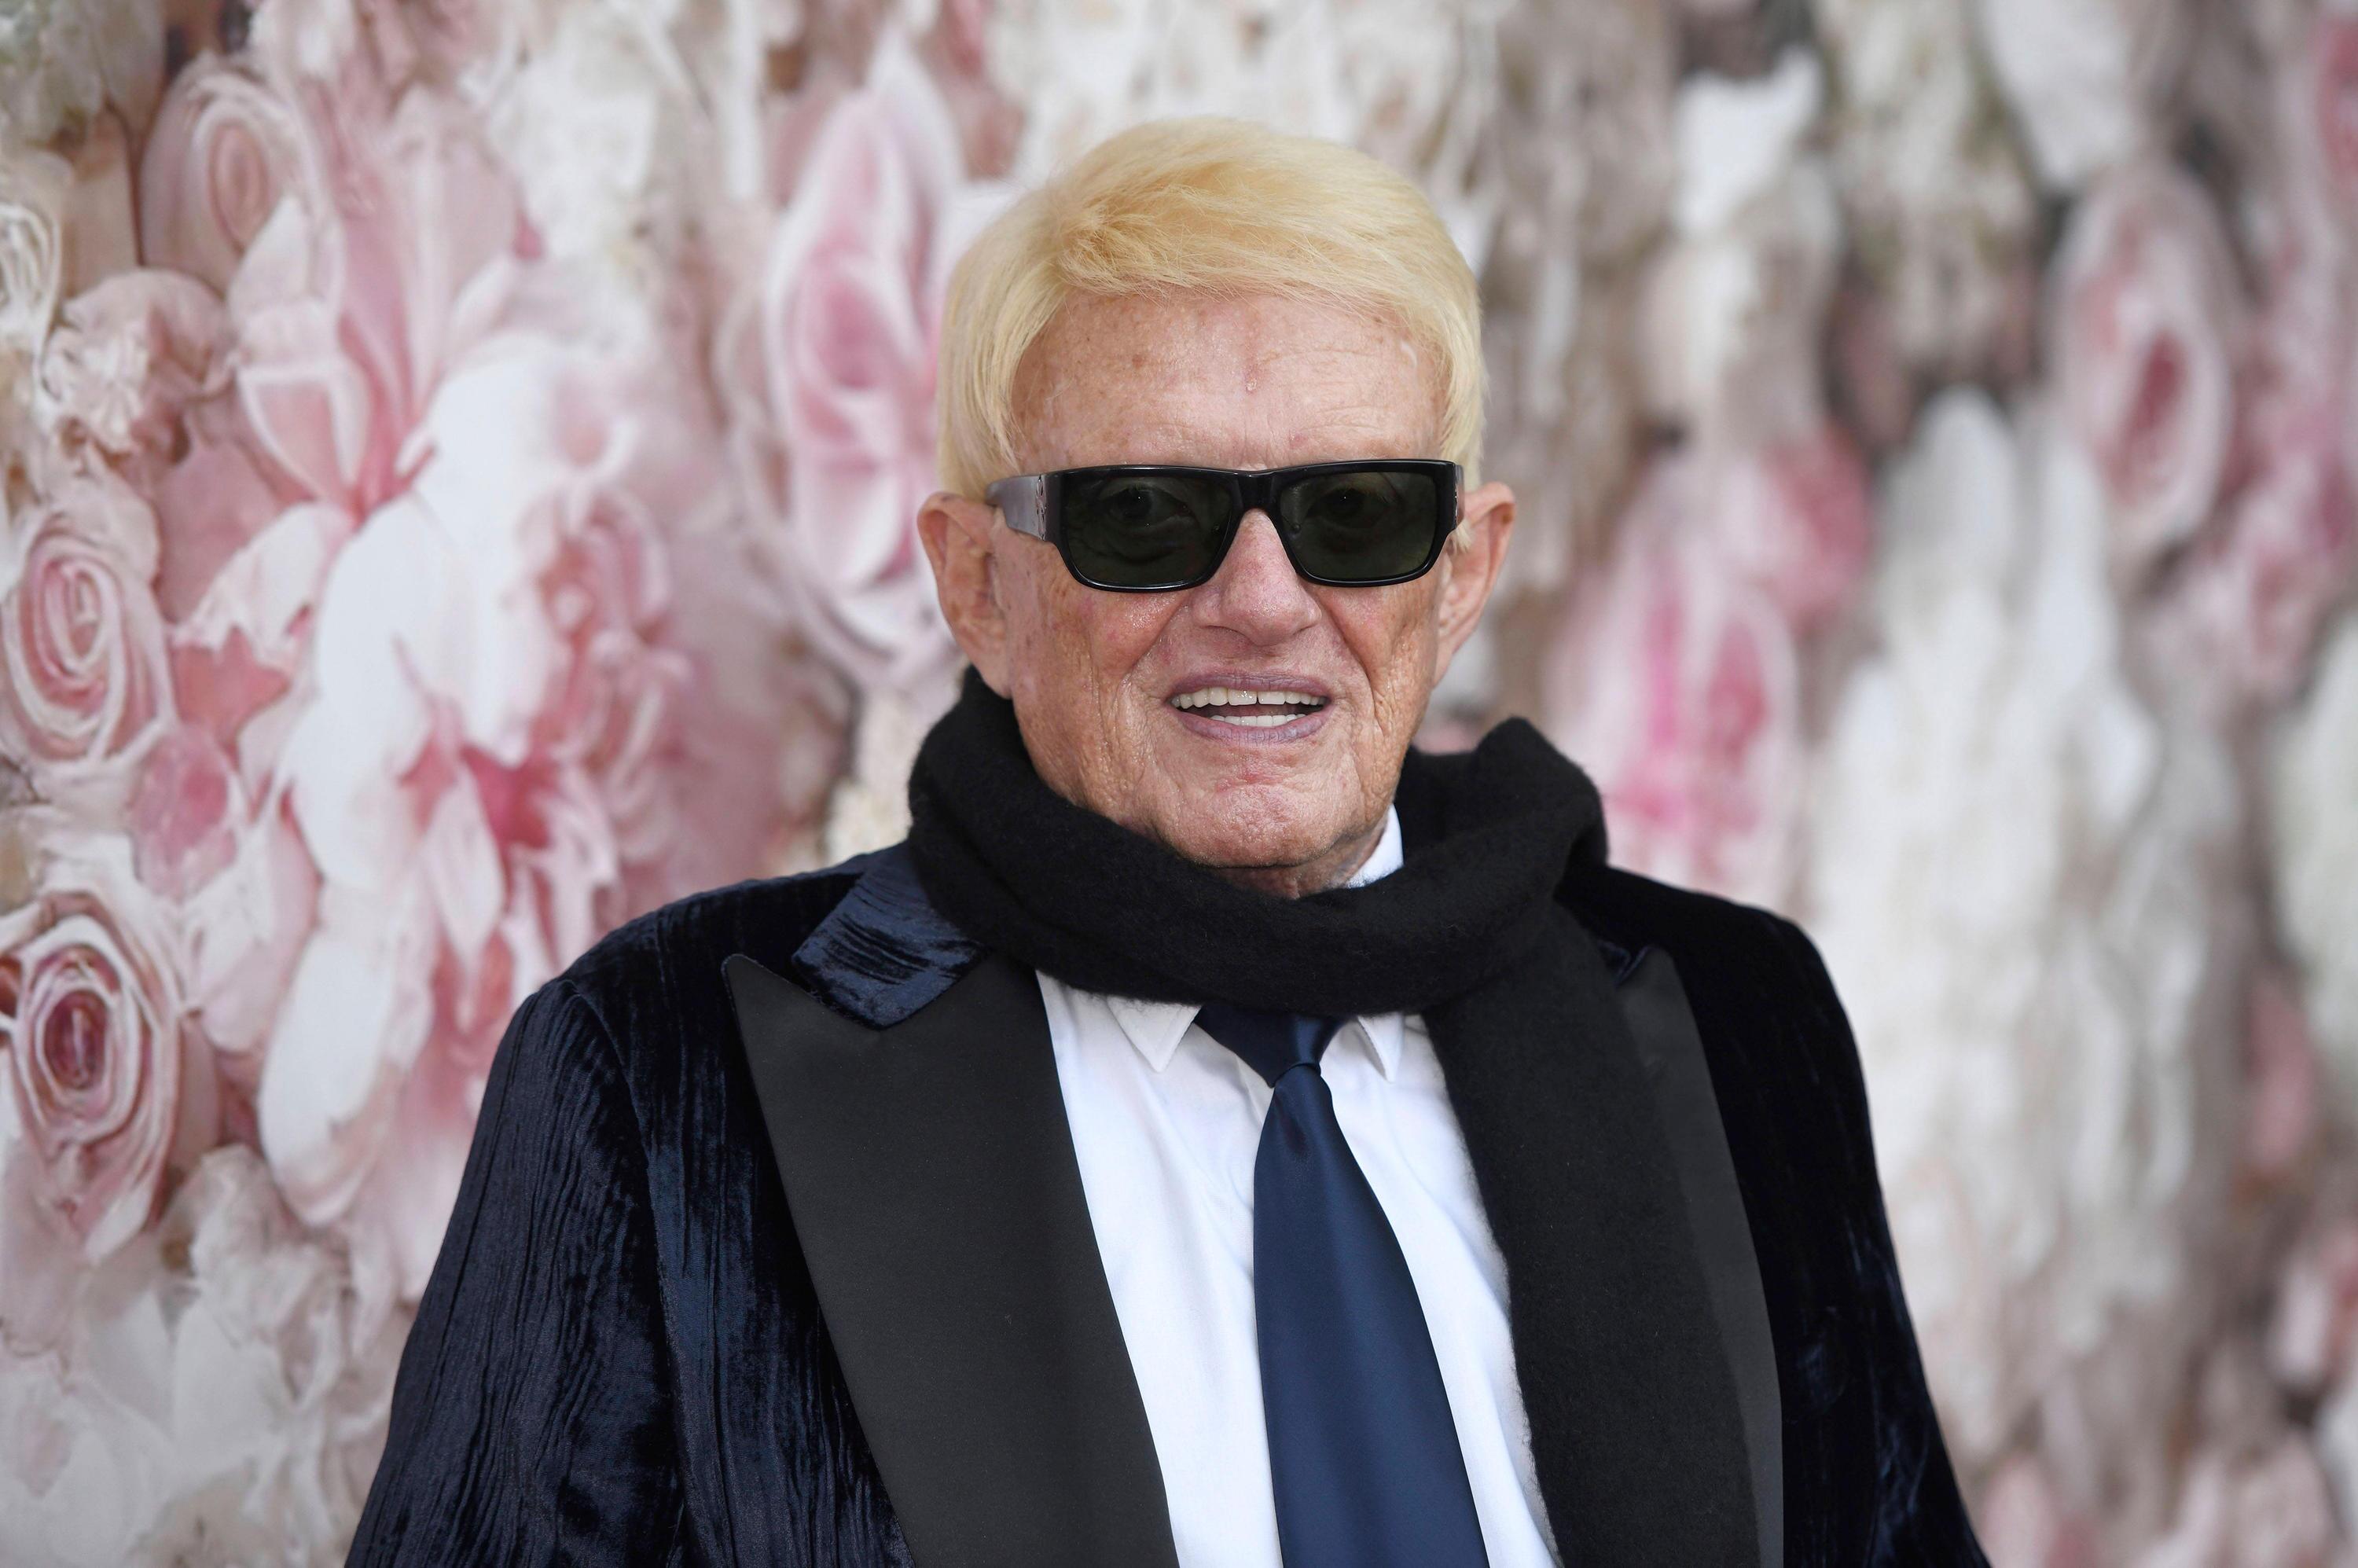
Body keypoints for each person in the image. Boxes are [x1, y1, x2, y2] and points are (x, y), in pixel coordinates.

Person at [349, 117, 1985, 1568]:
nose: (1263, 600)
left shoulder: (1740, 1019)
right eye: (1146, 516)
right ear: (978, 584)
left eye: (1356, 512)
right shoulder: (654, 1077)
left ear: (1462, 574)